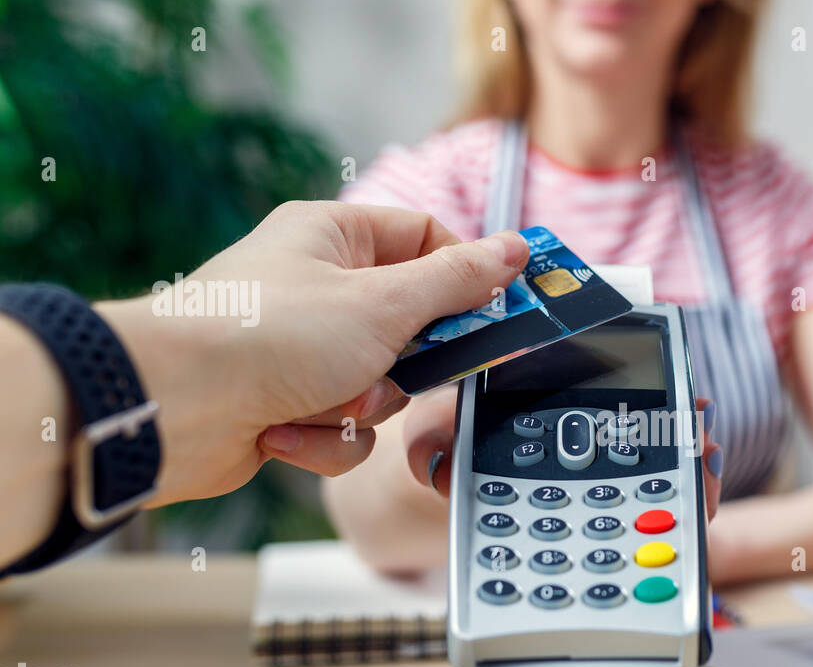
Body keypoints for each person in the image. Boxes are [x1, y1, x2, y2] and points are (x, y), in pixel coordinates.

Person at [323, 0, 813, 585]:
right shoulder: (417, 202)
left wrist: (689, 543)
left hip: (717, 654)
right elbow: (366, 514)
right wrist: (433, 466)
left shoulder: (776, 207)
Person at [0, 201, 720, 575]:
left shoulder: (780, 197)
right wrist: (474, 480)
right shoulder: (423, 184)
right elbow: (353, 485)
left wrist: (719, 545)